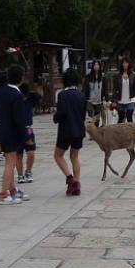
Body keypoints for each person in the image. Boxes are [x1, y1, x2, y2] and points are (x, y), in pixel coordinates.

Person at [0, 63, 29, 204]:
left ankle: (12, 190)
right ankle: (3, 194)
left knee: (10, 161)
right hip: (11, 133)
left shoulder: (2, 91)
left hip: (2, 131)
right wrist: (25, 137)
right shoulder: (16, 95)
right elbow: (19, 119)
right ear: (21, 78)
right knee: (10, 163)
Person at [54, 66, 87, 196]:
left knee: (58, 155)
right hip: (79, 130)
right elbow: (83, 114)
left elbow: (61, 113)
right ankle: (76, 184)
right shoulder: (81, 95)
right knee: (74, 157)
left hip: (66, 130)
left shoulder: (62, 94)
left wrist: (55, 118)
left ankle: (70, 178)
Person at [16, 82, 42, 184]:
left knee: (30, 153)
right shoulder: (16, 100)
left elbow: (39, 96)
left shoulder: (31, 99)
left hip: (28, 128)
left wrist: (29, 93)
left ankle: (28, 171)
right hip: (17, 129)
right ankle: (20, 174)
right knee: (18, 155)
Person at [112, 57, 135, 123]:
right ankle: (120, 132)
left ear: (129, 64)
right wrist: (113, 100)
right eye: (123, 63)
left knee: (129, 115)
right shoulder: (117, 75)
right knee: (121, 117)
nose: (125, 64)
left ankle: (131, 132)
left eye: (126, 63)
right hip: (121, 100)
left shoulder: (133, 75)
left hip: (130, 99)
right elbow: (115, 89)